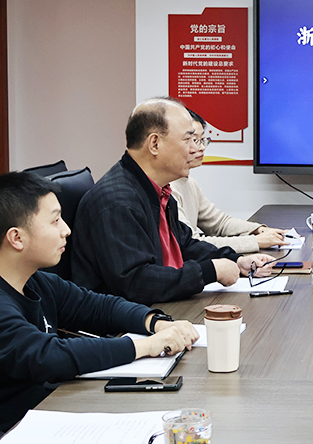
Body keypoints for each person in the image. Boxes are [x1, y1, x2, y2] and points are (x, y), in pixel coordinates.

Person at [0, 172, 200, 444]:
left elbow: (97, 306)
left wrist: (155, 323)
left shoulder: (29, 279)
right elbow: (47, 356)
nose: (66, 230)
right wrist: (146, 346)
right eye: (55, 221)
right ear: (16, 238)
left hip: (32, 421)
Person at [72, 97, 276, 304]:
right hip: (128, 319)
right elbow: (136, 283)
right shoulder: (117, 202)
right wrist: (210, 271)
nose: (195, 149)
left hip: (159, 307)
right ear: (155, 144)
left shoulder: (158, 190)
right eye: (188, 139)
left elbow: (185, 245)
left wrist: (236, 260)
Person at [171, 110, 287, 253]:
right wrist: (255, 241)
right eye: (194, 140)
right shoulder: (167, 188)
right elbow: (192, 244)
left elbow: (219, 223)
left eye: (202, 140)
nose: (201, 148)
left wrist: (259, 230)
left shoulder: (188, 182)